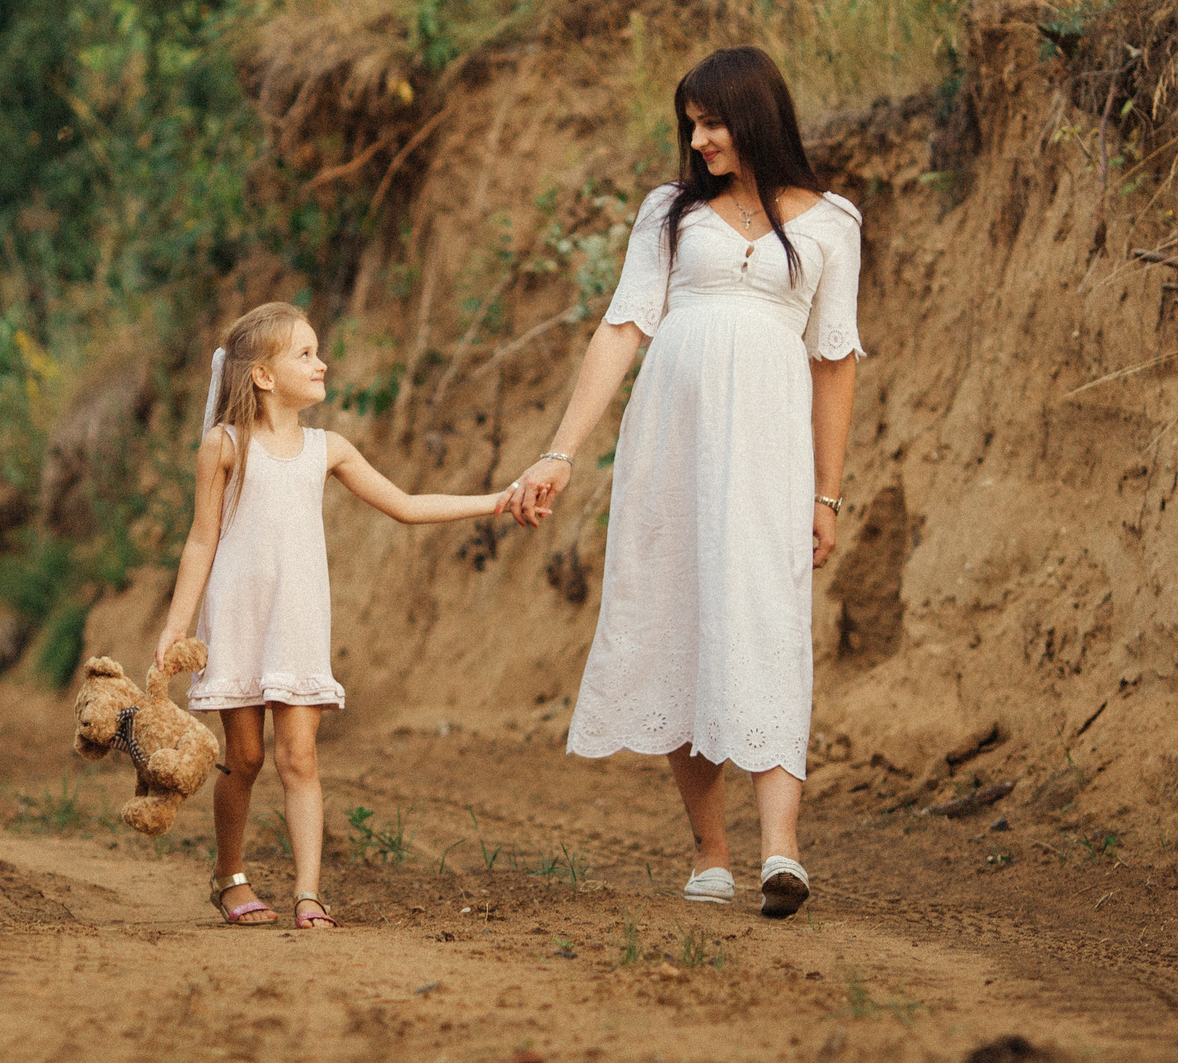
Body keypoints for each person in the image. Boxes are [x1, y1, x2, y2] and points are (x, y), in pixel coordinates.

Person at [498, 46, 863, 919]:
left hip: (771, 454)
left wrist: (826, 493)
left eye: (712, 121)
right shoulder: (669, 213)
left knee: (769, 622)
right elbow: (623, 330)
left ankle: (784, 850)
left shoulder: (830, 224)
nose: (697, 139)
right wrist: (561, 449)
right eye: (689, 124)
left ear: (757, 116)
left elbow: (836, 361)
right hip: (671, 445)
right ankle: (711, 851)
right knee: (676, 617)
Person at [159, 302, 507, 930]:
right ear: (263, 376)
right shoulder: (224, 444)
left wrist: (497, 502)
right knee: (245, 757)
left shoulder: (329, 448)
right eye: (305, 354)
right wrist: (175, 625)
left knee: (300, 757)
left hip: (297, 617)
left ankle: (308, 892)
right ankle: (229, 875)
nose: (322, 364)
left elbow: (405, 505)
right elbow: (201, 541)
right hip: (240, 615)